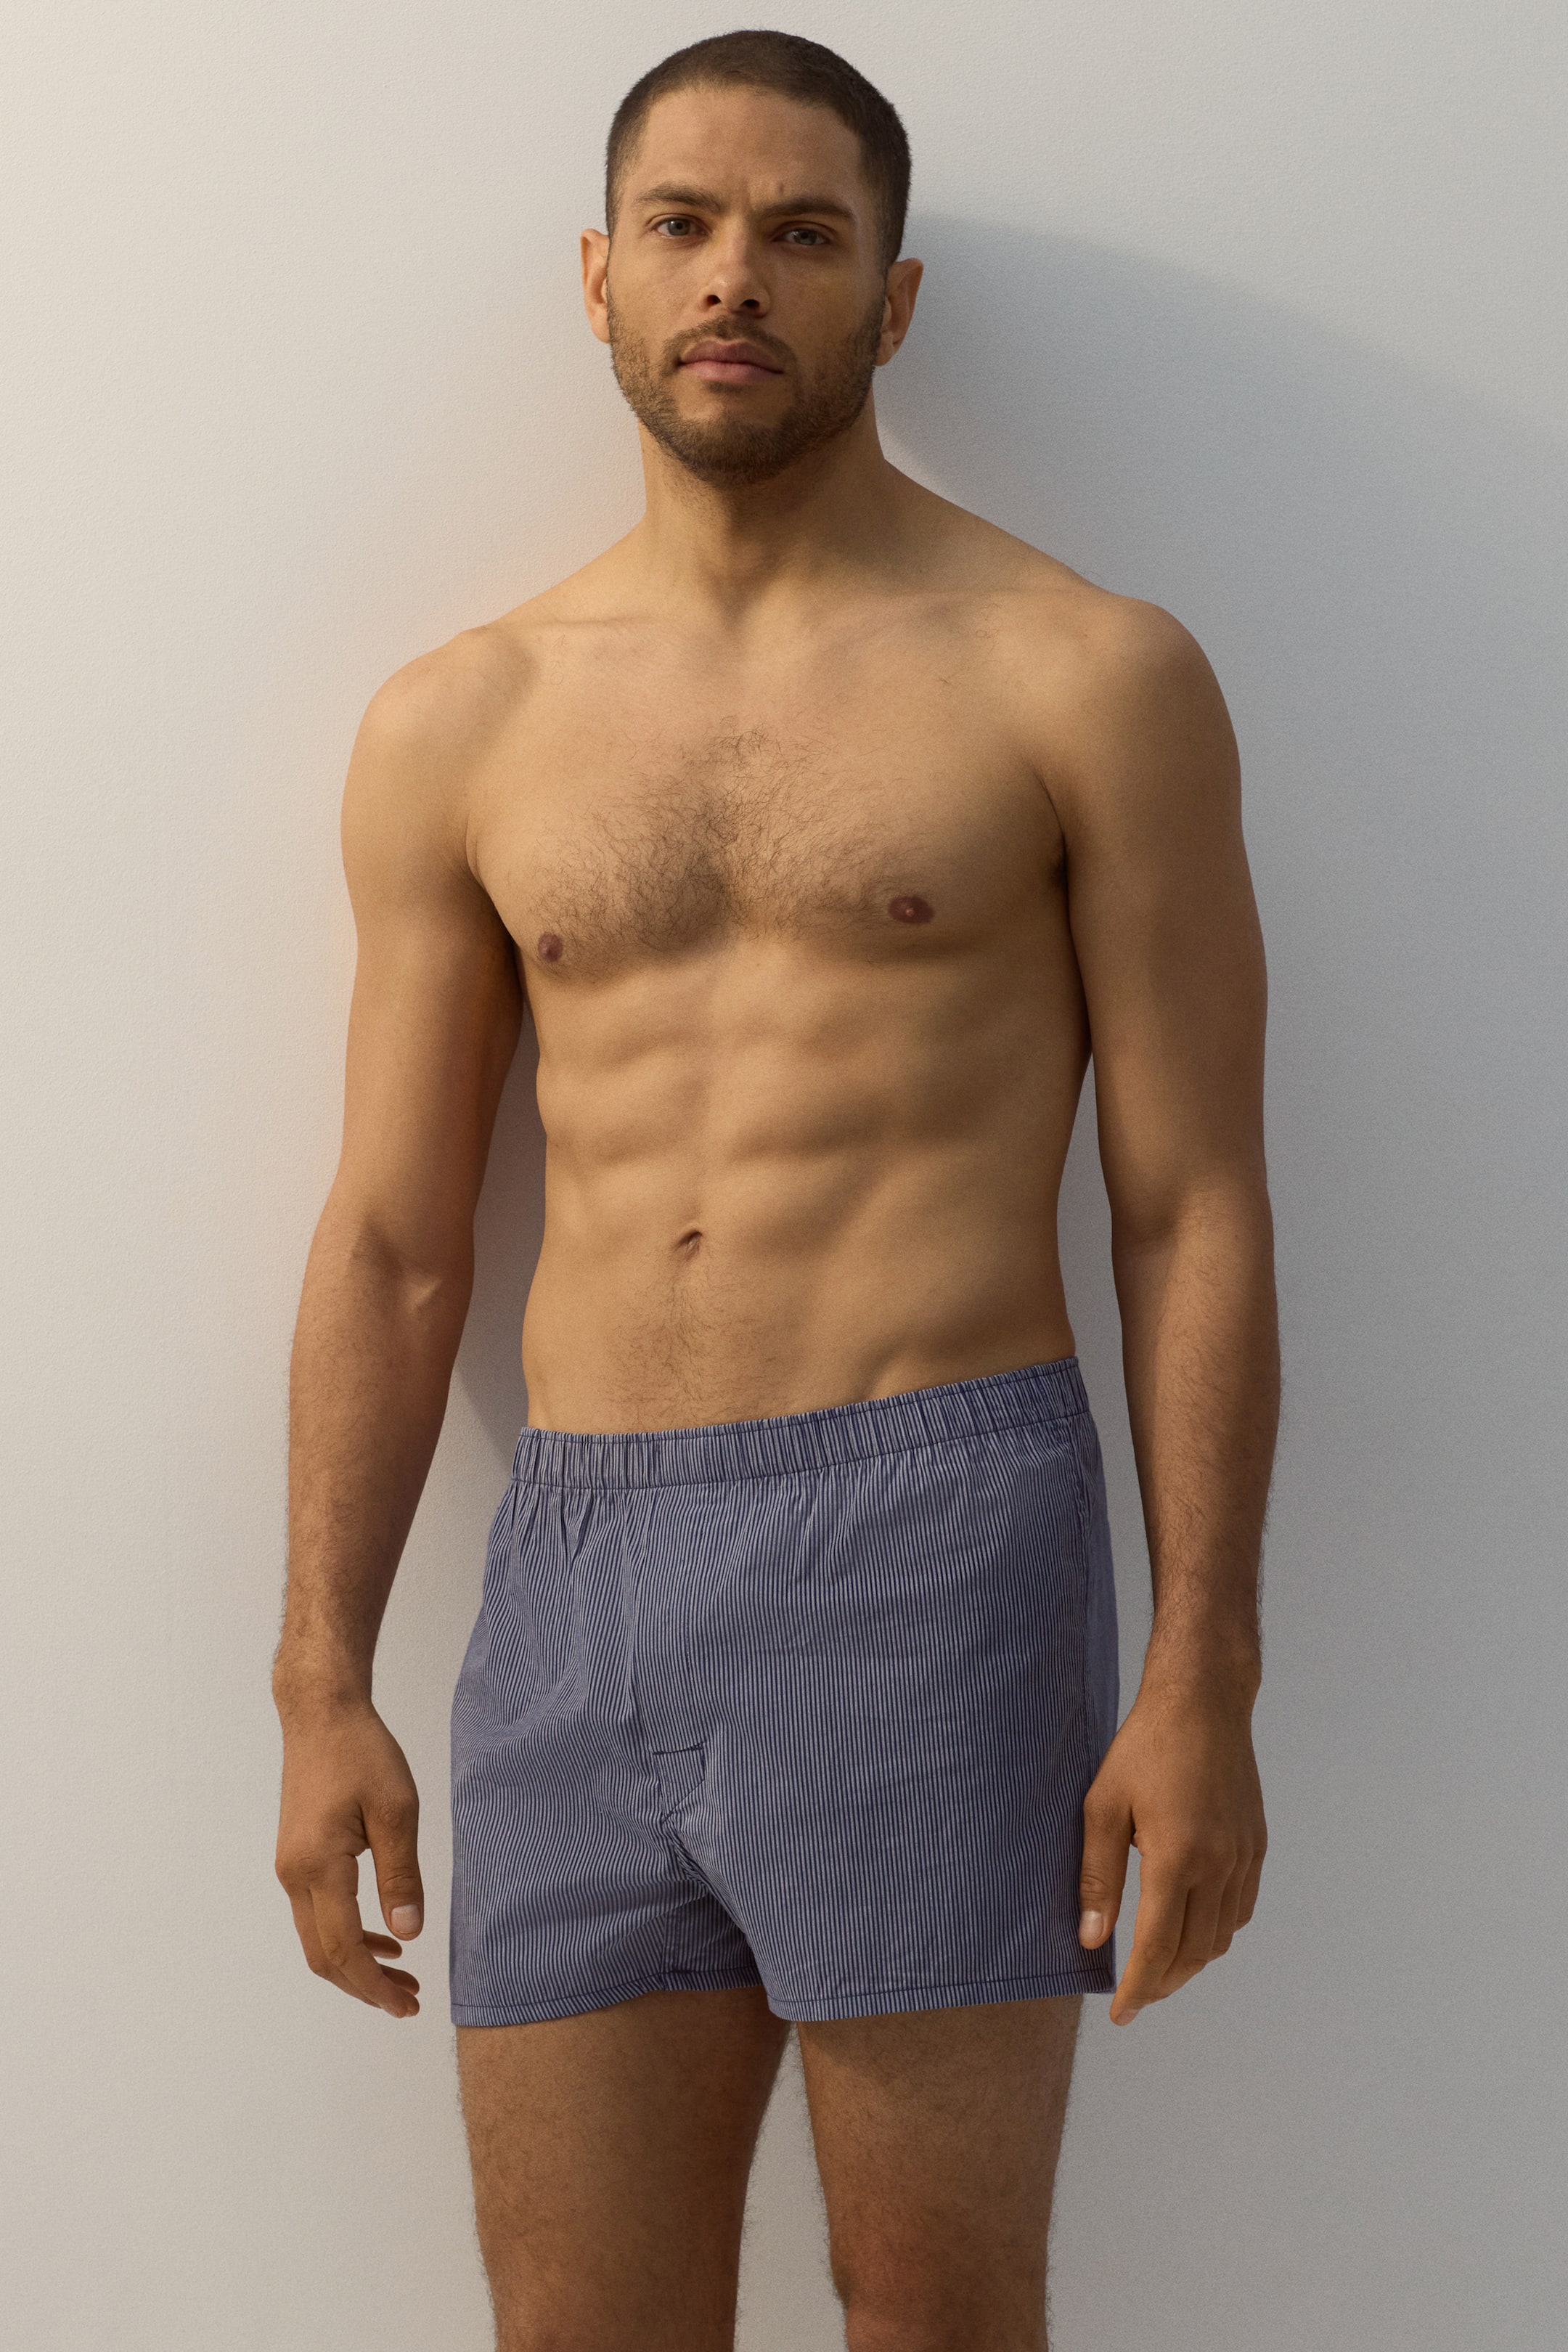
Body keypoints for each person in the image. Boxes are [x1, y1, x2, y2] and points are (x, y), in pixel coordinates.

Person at [271, 29, 1277, 2351]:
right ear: (601, 278)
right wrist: (320, 1677)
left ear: (889, 302)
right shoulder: (462, 720)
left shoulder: (1083, 677)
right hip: (575, 1570)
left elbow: (1192, 1204)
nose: (737, 278)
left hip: (933, 1533)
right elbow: (398, 1244)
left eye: (804, 235)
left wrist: (1205, 1668)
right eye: (688, 226)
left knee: (935, 2315)